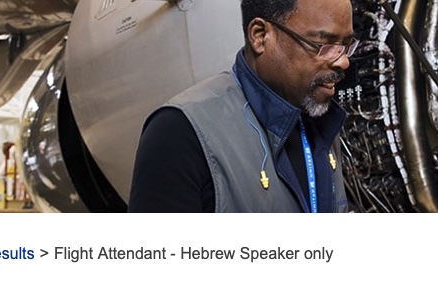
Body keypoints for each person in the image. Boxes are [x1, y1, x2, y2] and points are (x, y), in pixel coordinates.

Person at [127, 0, 358, 213]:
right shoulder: (179, 132)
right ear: (260, 36)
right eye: (323, 44)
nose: (343, 61)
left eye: (346, 46)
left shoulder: (320, 121)